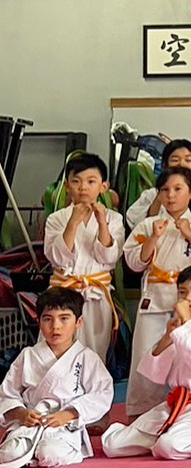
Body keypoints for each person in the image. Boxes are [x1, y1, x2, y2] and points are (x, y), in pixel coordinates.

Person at [102, 263, 191, 460]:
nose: (188, 298)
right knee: (112, 445)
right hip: (174, 405)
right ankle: (168, 434)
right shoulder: (178, 329)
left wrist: (186, 322)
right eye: (183, 292)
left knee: (168, 447)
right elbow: (154, 374)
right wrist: (166, 338)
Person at [123, 165, 191, 417]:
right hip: (155, 299)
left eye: (178, 189)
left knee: (190, 357)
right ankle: (141, 412)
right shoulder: (147, 224)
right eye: (165, 190)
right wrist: (153, 238)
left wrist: (190, 235)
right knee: (147, 356)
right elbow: (133, 263)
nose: (171, 195)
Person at [0, 288, 112, 468]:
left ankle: (54, 450)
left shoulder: (87, 358)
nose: (56, 326)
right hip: (30, 423)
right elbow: (7, 393)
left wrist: (69, 414)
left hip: (64, 426)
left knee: (50, 453)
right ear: (39, 322)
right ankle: (30, 449)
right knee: (8, 454)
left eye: (64, 318)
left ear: (79, 322)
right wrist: (21, 413)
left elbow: (101, 394)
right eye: (48, 319)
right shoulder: (28, 355)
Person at [43, 152, 124, 361]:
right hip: (63, 293)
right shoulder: (56, 218)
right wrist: (73, 222)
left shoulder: (114, 219)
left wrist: (102, 222)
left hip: (96, 294)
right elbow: (57, 258)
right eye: (76, 181)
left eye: (91, 181)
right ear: (67, 186)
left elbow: (109, 257)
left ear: (103, 186)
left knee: (95, 352)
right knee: (56, 348)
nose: (83, 187)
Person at [125, 138, 191, 228]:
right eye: (175, 160)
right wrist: (160, 195)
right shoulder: (150, 195)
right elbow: (137, 227)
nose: (181, 164)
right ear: (165, 165)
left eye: (188, 160)